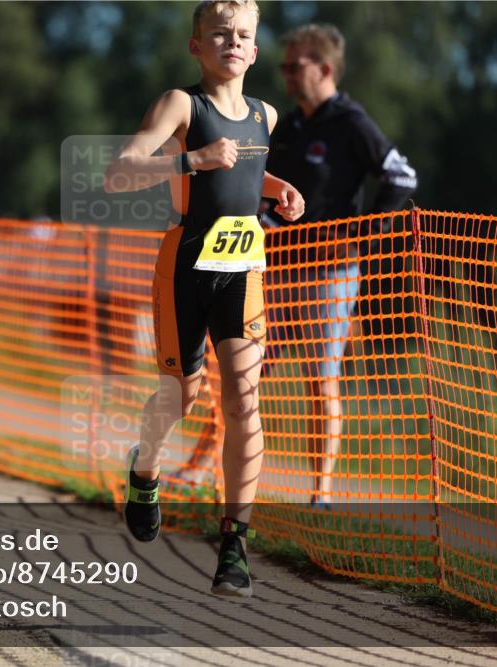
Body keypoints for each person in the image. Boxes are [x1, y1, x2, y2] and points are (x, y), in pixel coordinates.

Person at [104, 0, 304, 597]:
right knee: (180, 396)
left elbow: (244, 175)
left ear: (256, 50)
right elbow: (119, 172)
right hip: (184, 267)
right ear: (196, 46)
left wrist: (280, 190)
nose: (232, 43)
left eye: (242, 35)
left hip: (242, 269)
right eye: (219, 34)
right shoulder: (180, 105)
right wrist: (191, 158)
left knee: (244, 399)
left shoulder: (266, 115)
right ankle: (146, 469)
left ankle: (235, 545)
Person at [261, 24, 417, 508]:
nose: (287, 74)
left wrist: (358, 237)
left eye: (295, 66)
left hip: (330, 275)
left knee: (320, 379)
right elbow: (266, 189)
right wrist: (263, 219)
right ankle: (204, 468)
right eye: (284, 66)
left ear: (325, 68)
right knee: (245, 369)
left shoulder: (351, 122)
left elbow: (401, 177)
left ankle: (320, 494)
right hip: (276, 269)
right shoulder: (288, 126)